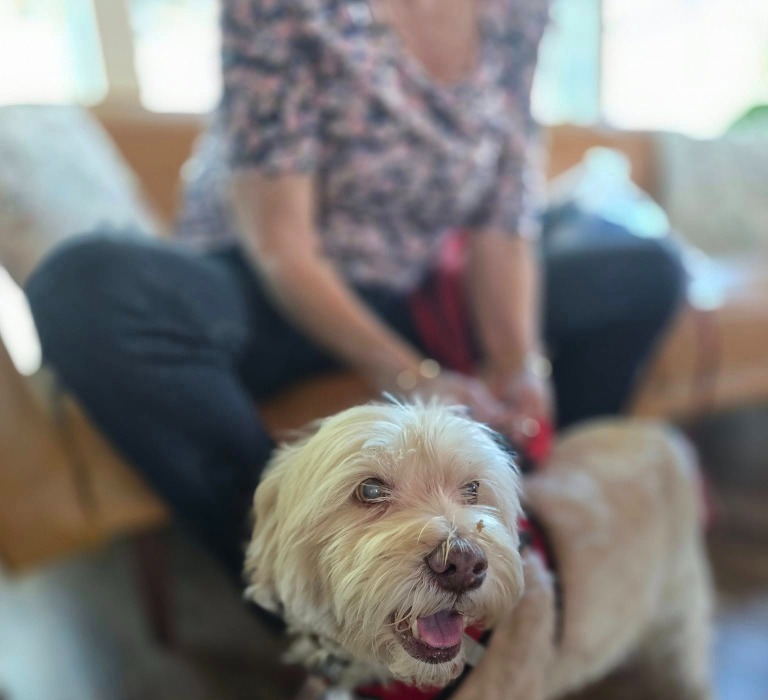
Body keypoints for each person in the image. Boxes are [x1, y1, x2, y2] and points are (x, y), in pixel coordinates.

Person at [27, 0, 685, 588]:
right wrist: (412, 375)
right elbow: (283, 246)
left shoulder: (517, 13)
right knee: (84, 286)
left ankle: (517, 531)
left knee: (645, 268)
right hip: (265, 290)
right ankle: (309, 614)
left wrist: (519, 363)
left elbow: (501, 219)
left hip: (419, 287)